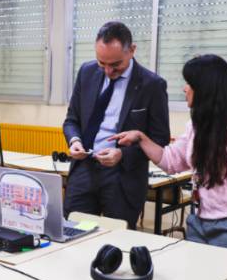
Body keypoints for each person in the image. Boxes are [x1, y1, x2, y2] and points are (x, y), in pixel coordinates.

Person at [110, 54, 227, 257]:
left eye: (189, 84)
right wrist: (141, 138)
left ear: (205, 89)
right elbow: (171, 161)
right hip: (200, 222)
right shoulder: (197, 125)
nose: (184, 89)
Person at [62, 21, 170, 229]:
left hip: (123, 177)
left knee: (117, 240)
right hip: (84, 169)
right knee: (73, 233)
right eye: (102, 63)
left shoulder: (152, 85)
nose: (108, 71)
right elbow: (72, 120)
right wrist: (75, 141)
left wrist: (122, 154)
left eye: (115, 65)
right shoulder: (86, 72)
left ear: (132, 50)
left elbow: (160, 139)